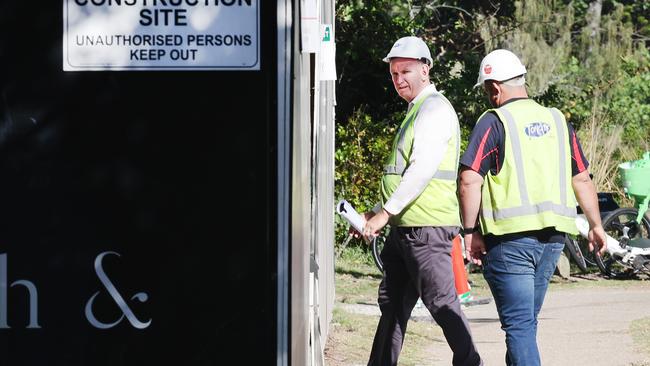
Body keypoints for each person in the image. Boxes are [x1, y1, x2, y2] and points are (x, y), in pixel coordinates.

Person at [458, 49, 608, 366]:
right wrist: (596, 226)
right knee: (525, 324)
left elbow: (470, 180)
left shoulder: (494, 121)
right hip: (554, 241)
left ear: (495, 88)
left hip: (510, 241)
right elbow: (581, 178)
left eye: (487, 91)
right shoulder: (557, 119)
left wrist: (469, 232)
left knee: (520, 327)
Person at [360, 36, 482, 366]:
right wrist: (377, 211)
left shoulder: (434, 109)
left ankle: (470, 362)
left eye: (406, 71)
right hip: (408, 228)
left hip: (426, 229)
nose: (399, 79)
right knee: (393, 305)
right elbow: (401, 174)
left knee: (441, 302)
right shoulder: (416, 111)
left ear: (425, 70)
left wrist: (385, 212)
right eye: (394, 73)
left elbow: (422, 168)